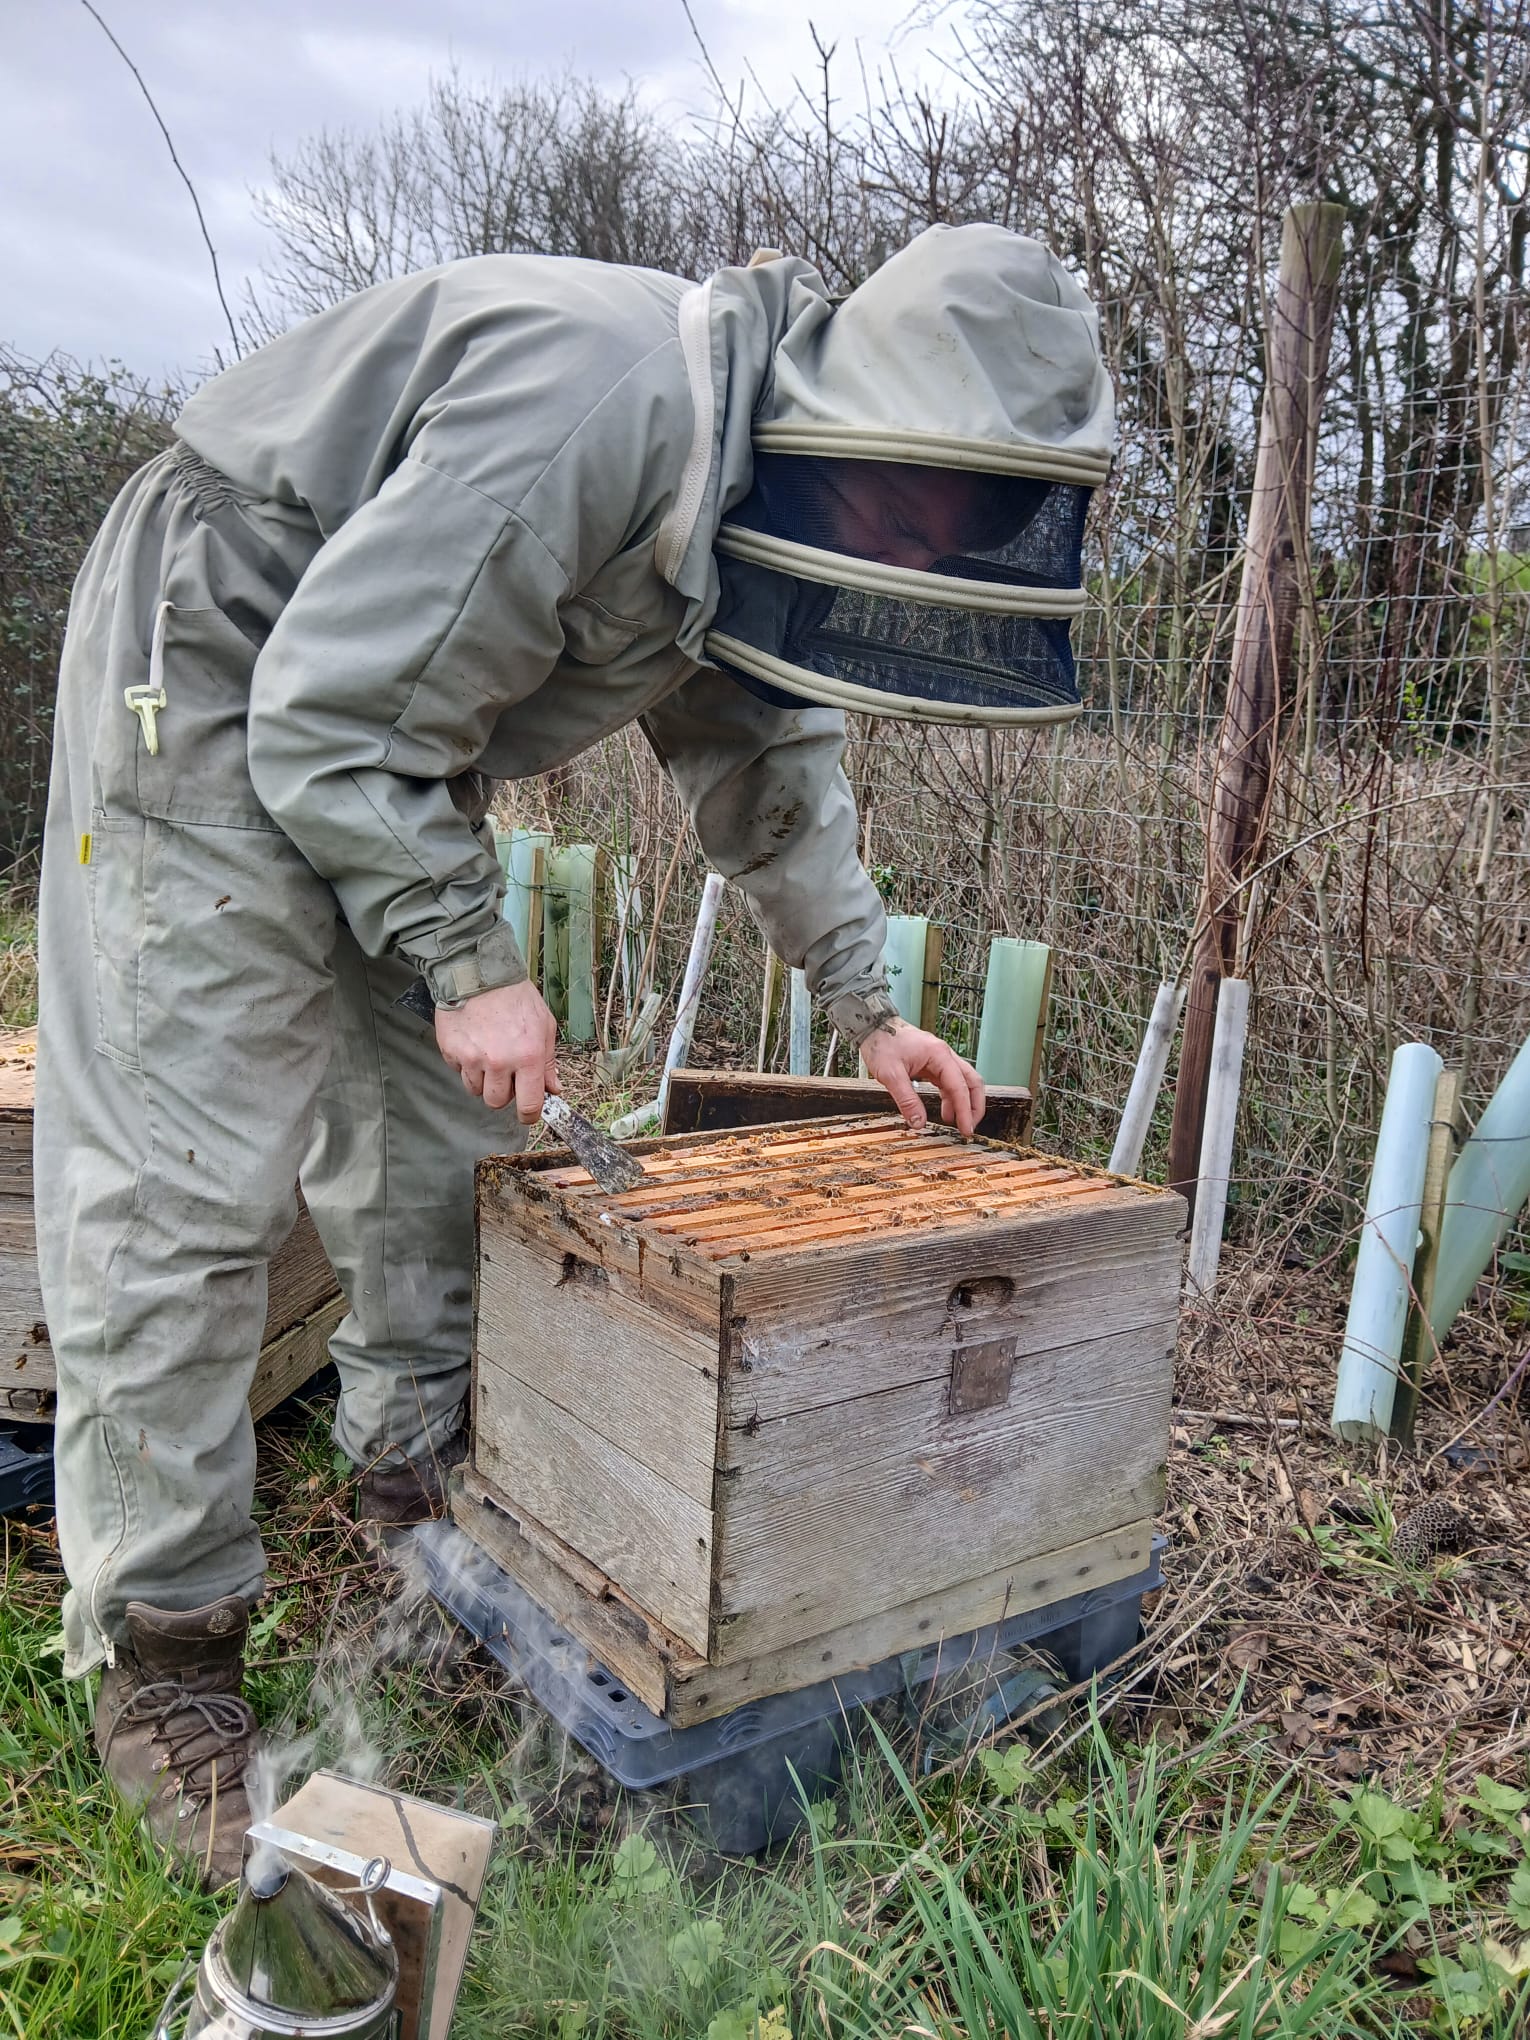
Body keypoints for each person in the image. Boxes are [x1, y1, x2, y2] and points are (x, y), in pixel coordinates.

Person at [35, 222, 1113, 1884]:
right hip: (222, 646)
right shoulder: (596, 408)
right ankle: (163, 1657)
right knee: (192, 1168)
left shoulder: (761, 500)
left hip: (384, 724)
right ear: (855, 416)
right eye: (921, 502)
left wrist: (862, 1002)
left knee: (435, 1140)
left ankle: (416, 1492)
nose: (924, 540)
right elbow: (327, 711)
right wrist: (467, 956)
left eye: (963, 520)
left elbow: (765, 757)